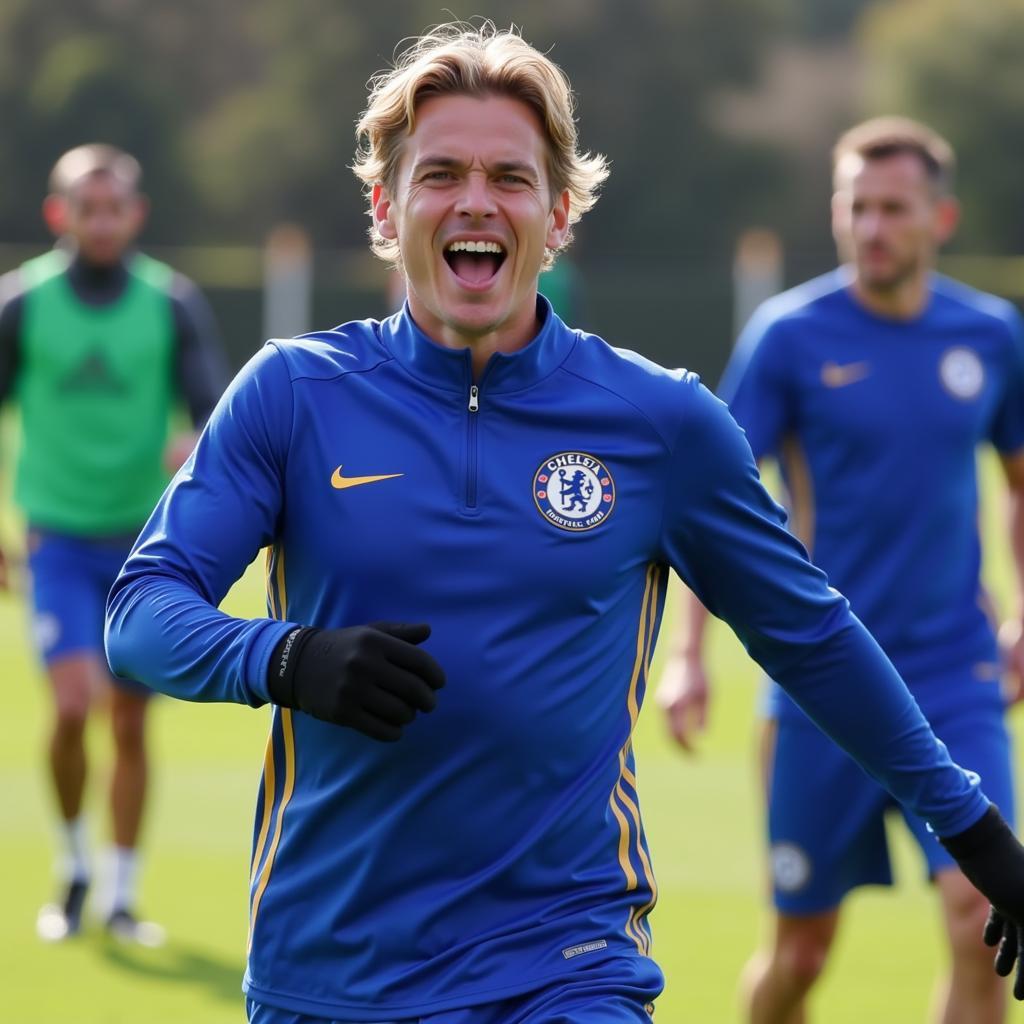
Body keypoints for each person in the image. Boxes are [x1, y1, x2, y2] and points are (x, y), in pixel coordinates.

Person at [104, 28, 1024, 1023]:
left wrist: (972, 827)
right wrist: (282, 660)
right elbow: (142, 614)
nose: (474, 201)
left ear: (559, 215)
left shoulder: (658, 421)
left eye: (510, 177)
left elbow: (811, 633)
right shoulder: (292, 394)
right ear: (385, 205)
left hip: (566, 962)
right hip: (332, 964)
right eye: (440, 173)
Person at [657, 116, 1024, 1023]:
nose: (871, 228)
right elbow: (716, 506)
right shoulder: (789, 336)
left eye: (893, 209)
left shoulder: (990, 337)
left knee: (984, 913)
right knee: (802, 951)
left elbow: (1020, 488)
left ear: (940, 218)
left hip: (954, 674)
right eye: (856, 208)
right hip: (822, 682)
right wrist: (689, 655)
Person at [0, 143, 229, 944]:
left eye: (116, 207)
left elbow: (217, 418)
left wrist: (191, 443)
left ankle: (123, 896)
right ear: (58, 214)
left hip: (145, 548)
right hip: (56, 539)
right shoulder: (22, 305)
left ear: (136, 214)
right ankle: (72, 870)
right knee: (71, 708)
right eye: (85, 207)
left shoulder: (171, 304)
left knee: (130, 723)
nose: (102, 221)